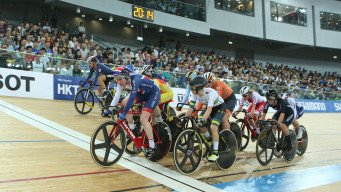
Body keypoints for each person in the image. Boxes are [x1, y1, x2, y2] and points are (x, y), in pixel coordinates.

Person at [105, 67, 162, 157]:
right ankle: (132, 128)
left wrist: (124, 114)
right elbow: (117, 96)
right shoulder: (121, 82)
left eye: (120, 79)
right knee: (124, 103)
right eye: (116, 79)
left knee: (143, 119)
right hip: (142, 92)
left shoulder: (135, 80)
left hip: (153, 93)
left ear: (126, 77)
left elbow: (132, 98)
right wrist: (109, 111)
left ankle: (152, 145)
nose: (118, 82)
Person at [184, 76, 228, 162]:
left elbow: (209, 109)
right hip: (209, 108)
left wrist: (202, 120)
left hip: (219, 108)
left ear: (199, 88)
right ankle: (209, 139)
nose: (191, 90)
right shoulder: (194, 94)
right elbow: (190, 108)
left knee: (213, 127)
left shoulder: (211, 93)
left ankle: (215, 153)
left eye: (192, 88)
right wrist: (185, 119)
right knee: (199, 123)